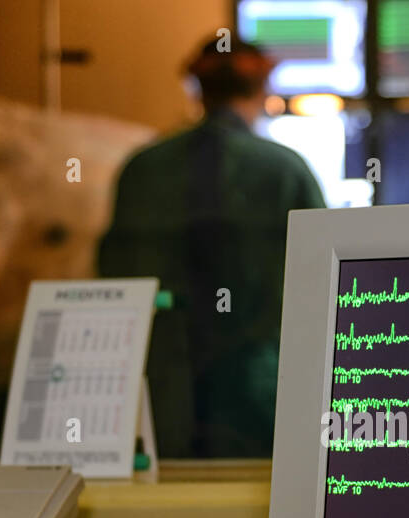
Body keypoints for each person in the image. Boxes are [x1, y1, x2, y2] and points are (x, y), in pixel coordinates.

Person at [98, 36, 326, 458]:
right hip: (265, 403)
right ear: (263, 89)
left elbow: (114, 290)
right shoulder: (285, 171)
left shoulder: (141, 170)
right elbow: (326, 289)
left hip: (159, 409)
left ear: (195, 86)